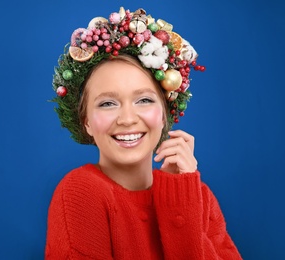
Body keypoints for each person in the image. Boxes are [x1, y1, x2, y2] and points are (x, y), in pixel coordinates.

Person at [46, 7, 242, 259]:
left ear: (165, 113)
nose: (128, 119)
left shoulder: (200, 196)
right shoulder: (80, 191)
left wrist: (180, 198)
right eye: (107, 103)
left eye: (144, 100)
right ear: (86, 122)